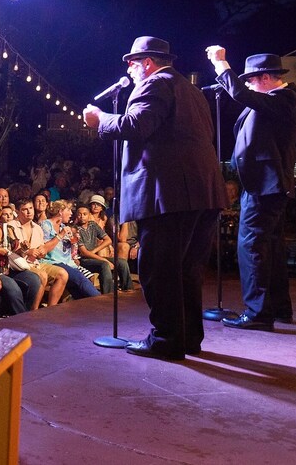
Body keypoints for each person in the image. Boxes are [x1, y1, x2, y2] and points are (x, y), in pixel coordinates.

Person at [84, 36, 226, 360]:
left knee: (159, 268)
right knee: (186, 269)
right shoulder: (191, 90)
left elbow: (136, 125)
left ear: (147, 62)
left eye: (133, 63)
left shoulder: (155, 84)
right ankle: (187, 336)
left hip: (169, 193)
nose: (131, 70)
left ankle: (165, 339)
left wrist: (100, 120)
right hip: (202, 190)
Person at [206, 47, 296, 330]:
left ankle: (259, 312)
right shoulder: (279, 100)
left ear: (264, 78)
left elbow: (241, 94)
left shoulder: (285, 98)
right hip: (265, 184)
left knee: (251, 246)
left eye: (250, 79)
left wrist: (221, 64)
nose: (248, 84)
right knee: (269, 246)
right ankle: (277, 308)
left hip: (265, 185)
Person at [75, 204, 132, 293]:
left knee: (122, 262)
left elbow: (108, 240)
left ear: (89, 214)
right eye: (79, 214)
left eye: (85, 214)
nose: (82, 216)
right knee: (104, 265)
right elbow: (84, 253)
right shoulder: (75, 229)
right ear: (76, 215)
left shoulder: (93, 225)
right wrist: (104, 260)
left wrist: (94, 250)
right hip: (83, 260)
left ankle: (128, 290)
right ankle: (108, 294)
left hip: (93, 256)